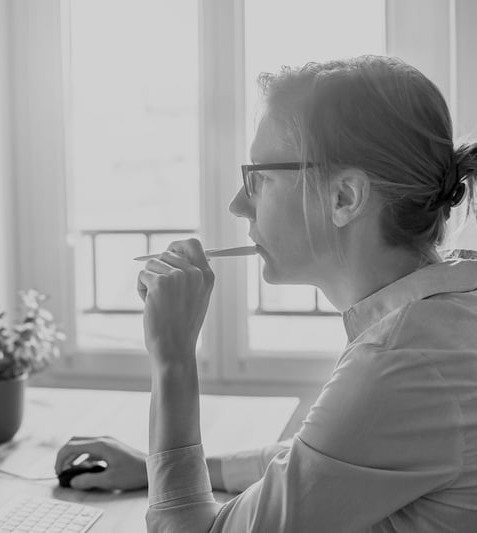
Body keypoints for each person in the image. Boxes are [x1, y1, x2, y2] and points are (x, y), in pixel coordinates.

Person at [55, 55, 477, 532]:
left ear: (345, 197)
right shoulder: (445, 319)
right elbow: (323, 459)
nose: (238, 205)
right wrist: (163, 469)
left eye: (259, 179)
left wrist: (172, 357)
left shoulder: (400, 363)